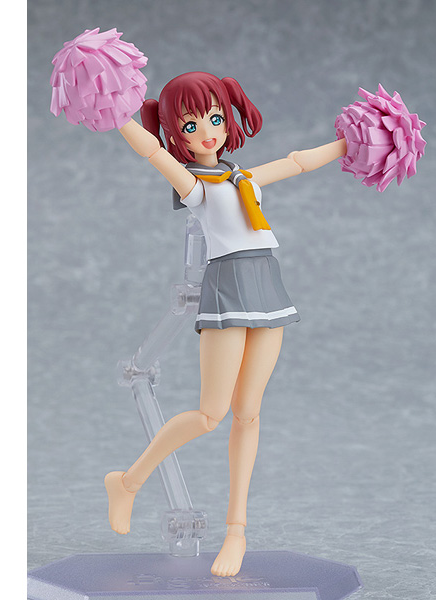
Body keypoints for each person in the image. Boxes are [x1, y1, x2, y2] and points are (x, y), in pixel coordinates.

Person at [104, 71, 347, 577]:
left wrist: (352, 143)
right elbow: (151, 151)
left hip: (267, 285)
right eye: (191, 126)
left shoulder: (244, 179)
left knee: (249, 414)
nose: (207, 133)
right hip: (227, 288)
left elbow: (298, 162)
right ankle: (128, 482)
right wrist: (113, 112)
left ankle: (237, 532)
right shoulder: (196, 187)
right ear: (177, 134)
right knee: (210, 414)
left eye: (215, 118)